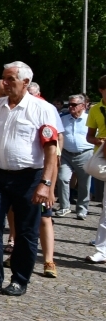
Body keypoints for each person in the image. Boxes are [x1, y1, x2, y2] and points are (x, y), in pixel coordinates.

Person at [0, 61, 59, 295]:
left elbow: (50, 149)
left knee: (26, 231)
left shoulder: (42, 109)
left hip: (29, 177)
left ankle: (20, 278)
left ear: (25, 82)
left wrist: (46, 184)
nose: (5, 83)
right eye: (3, 78)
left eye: (10, 79)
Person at [57, 94, 93, 220]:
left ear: (83, 106)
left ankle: (82, 209)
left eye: (74, 105)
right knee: (62, 178)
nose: (70, 107)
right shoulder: (63, 119)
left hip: (85, 154)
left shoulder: (89, 119)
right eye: (69, 104)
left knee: (84, 183)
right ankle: (64, 207)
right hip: (66, 154)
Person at [85, 75, 106, 264]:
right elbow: (89, 136)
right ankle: (102, 250)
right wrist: (99, 141)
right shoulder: (95, 110)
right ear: (101, 90)